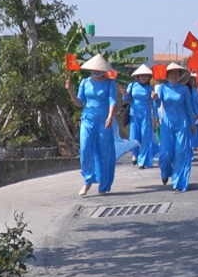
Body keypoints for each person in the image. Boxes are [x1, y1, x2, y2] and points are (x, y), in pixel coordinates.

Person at [66, 54, 118, 196]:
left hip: (104, 120)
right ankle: (87, 180)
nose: (96, 70)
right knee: (85, 148)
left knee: (104, 151)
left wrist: (110, 116)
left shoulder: (109, 82)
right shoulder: (84, 82)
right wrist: (70, 91)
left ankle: (104, 184)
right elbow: (79, 103)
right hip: (88, 119)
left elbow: (112, 101)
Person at [156, 63, 196, 192]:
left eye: (176, 73)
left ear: (180, 75)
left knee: (181, 153)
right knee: (165, 154)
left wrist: (192, 124)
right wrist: (155, 98)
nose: (174, 75)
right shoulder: (162, 87)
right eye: (171, 73)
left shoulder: (184, 89)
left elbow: (188, 107)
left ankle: (179, 182)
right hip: (167, 125)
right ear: (166, 75)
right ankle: (165, 172)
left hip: (182, 124)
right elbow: (157, 103)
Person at [124, 64, 158, 168]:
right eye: (141, 75)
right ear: (137, 77)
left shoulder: (150, 88)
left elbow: (154, 104)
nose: (143, 77)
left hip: (146, 114)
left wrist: (156, 117)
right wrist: (125, 94)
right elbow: (126, 99)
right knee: (133, 136)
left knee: (145, 137)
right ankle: (135, 154)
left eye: (146, 76)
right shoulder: (132, 85)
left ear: (149, 77)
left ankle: (143, 161)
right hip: (134, 113)